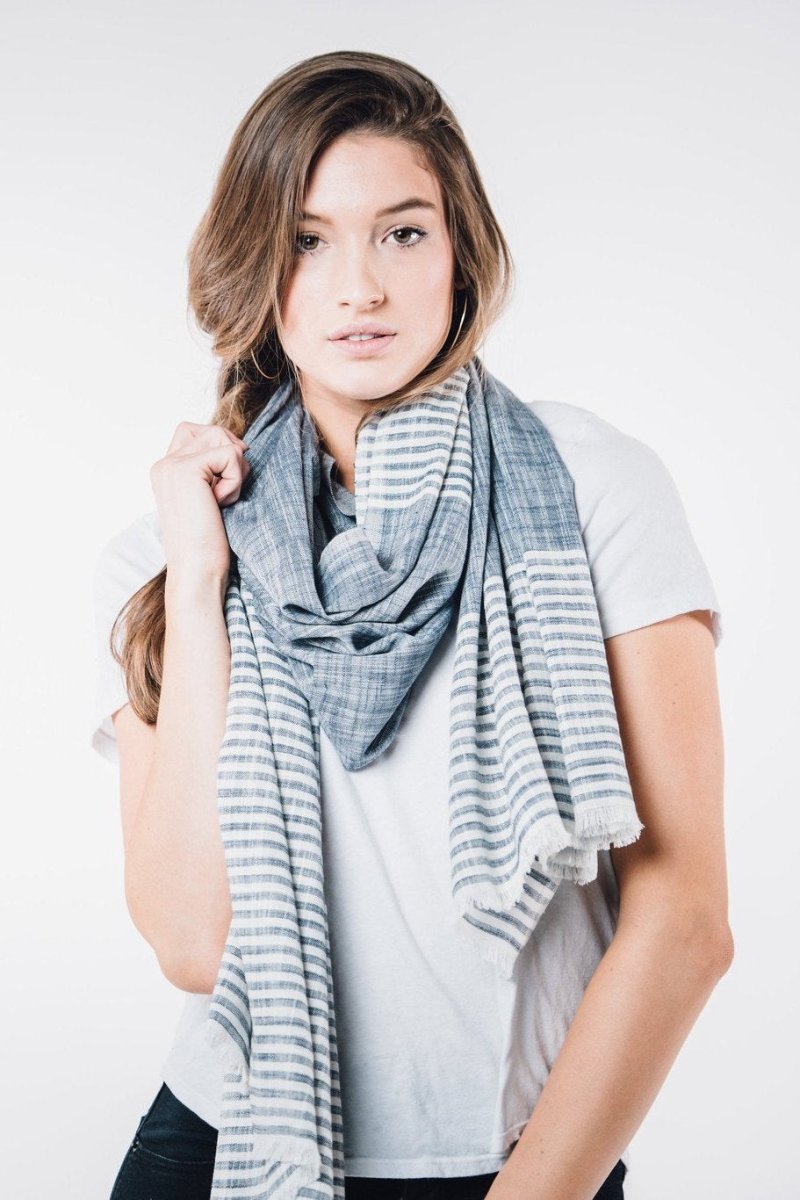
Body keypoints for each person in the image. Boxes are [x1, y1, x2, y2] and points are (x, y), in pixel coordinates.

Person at [90, 49, 732, 1200]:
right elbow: (192, 939)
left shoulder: (588, 489)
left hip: (525, 1166)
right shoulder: (171, 550)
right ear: (255, 264)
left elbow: (683, 921)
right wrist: (197, 579)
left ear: (458, 253)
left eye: (401, 232)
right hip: (226, 1144)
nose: (360, 288)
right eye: (306, 239)